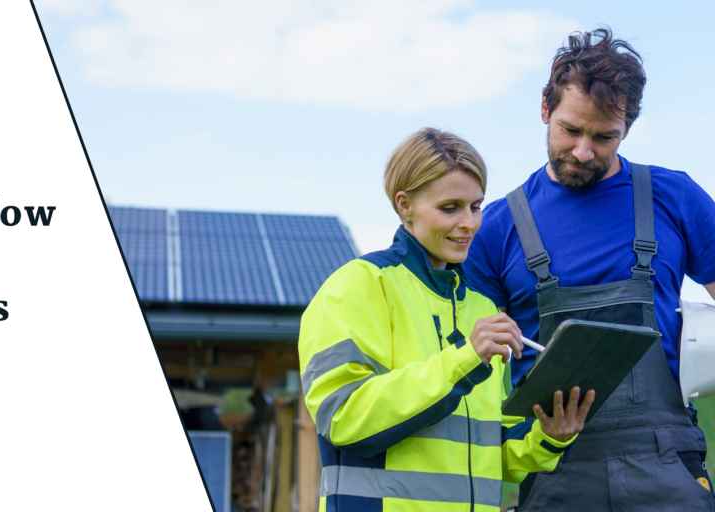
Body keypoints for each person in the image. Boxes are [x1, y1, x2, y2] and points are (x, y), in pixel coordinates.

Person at [465, 28, 715, 511]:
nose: (583, 151)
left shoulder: (674, 197)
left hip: (666, 463)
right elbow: (469, 359)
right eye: (570, 130)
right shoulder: (496, 228)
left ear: (628, 127)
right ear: (545, 108)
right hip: (555, 467)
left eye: (604, 137)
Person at [299, 128, 593, 512]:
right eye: (450, 207)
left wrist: (549, 437)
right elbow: (342, 417)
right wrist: (464, 359)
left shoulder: (484, 309)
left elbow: (495, 458)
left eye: (476, 206)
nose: (469, 223)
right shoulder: (357, 286)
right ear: (404, 205)